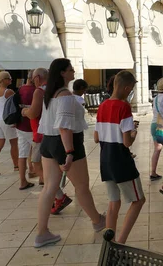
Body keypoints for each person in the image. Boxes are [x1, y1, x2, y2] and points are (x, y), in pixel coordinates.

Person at [35, 58, 105, 248]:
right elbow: (64, 126)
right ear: (62, 73)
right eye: (70, 69)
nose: (74, 71)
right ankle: (98, 221)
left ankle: (41, 233)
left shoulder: (49, 93)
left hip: (48, 142)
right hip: (65, 143)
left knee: (49, 187)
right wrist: (69, 151)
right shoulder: (65, 95)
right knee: (81, 186)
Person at [95, 71, 145, 244]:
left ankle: (110, 242)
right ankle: (122, 242)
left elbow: (96, 137)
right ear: (126, 87)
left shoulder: (102, 106)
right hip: (121, 161)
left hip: (105, 160)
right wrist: (133, 133)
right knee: (138, 200)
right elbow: (126, 142)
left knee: (113, 202)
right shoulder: (124, 107)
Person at [23, 68, 71, 214]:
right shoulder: (56, 90)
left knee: (37, 165)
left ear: (37, 77)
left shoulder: (40, 91)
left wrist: (24, 111)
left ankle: (57, 195)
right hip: (54, 133)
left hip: (41, 133)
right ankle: (56, 193)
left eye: (32, 78)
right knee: (53, 167)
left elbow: (34, 113)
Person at [0, 71, 19, 177]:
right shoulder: (8, 91)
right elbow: (17, 101)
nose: (11, 80)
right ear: (4, 80)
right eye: (9, 78)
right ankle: (16, 166)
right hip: (7, 120)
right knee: (14, 143)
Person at [15, 70, 36, 190]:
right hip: (32, 126)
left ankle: (23, 180)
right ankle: (42, 178)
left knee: (22, 154)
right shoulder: (36, 91)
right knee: (39, 153)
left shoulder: (20, 90)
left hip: (21, 125)